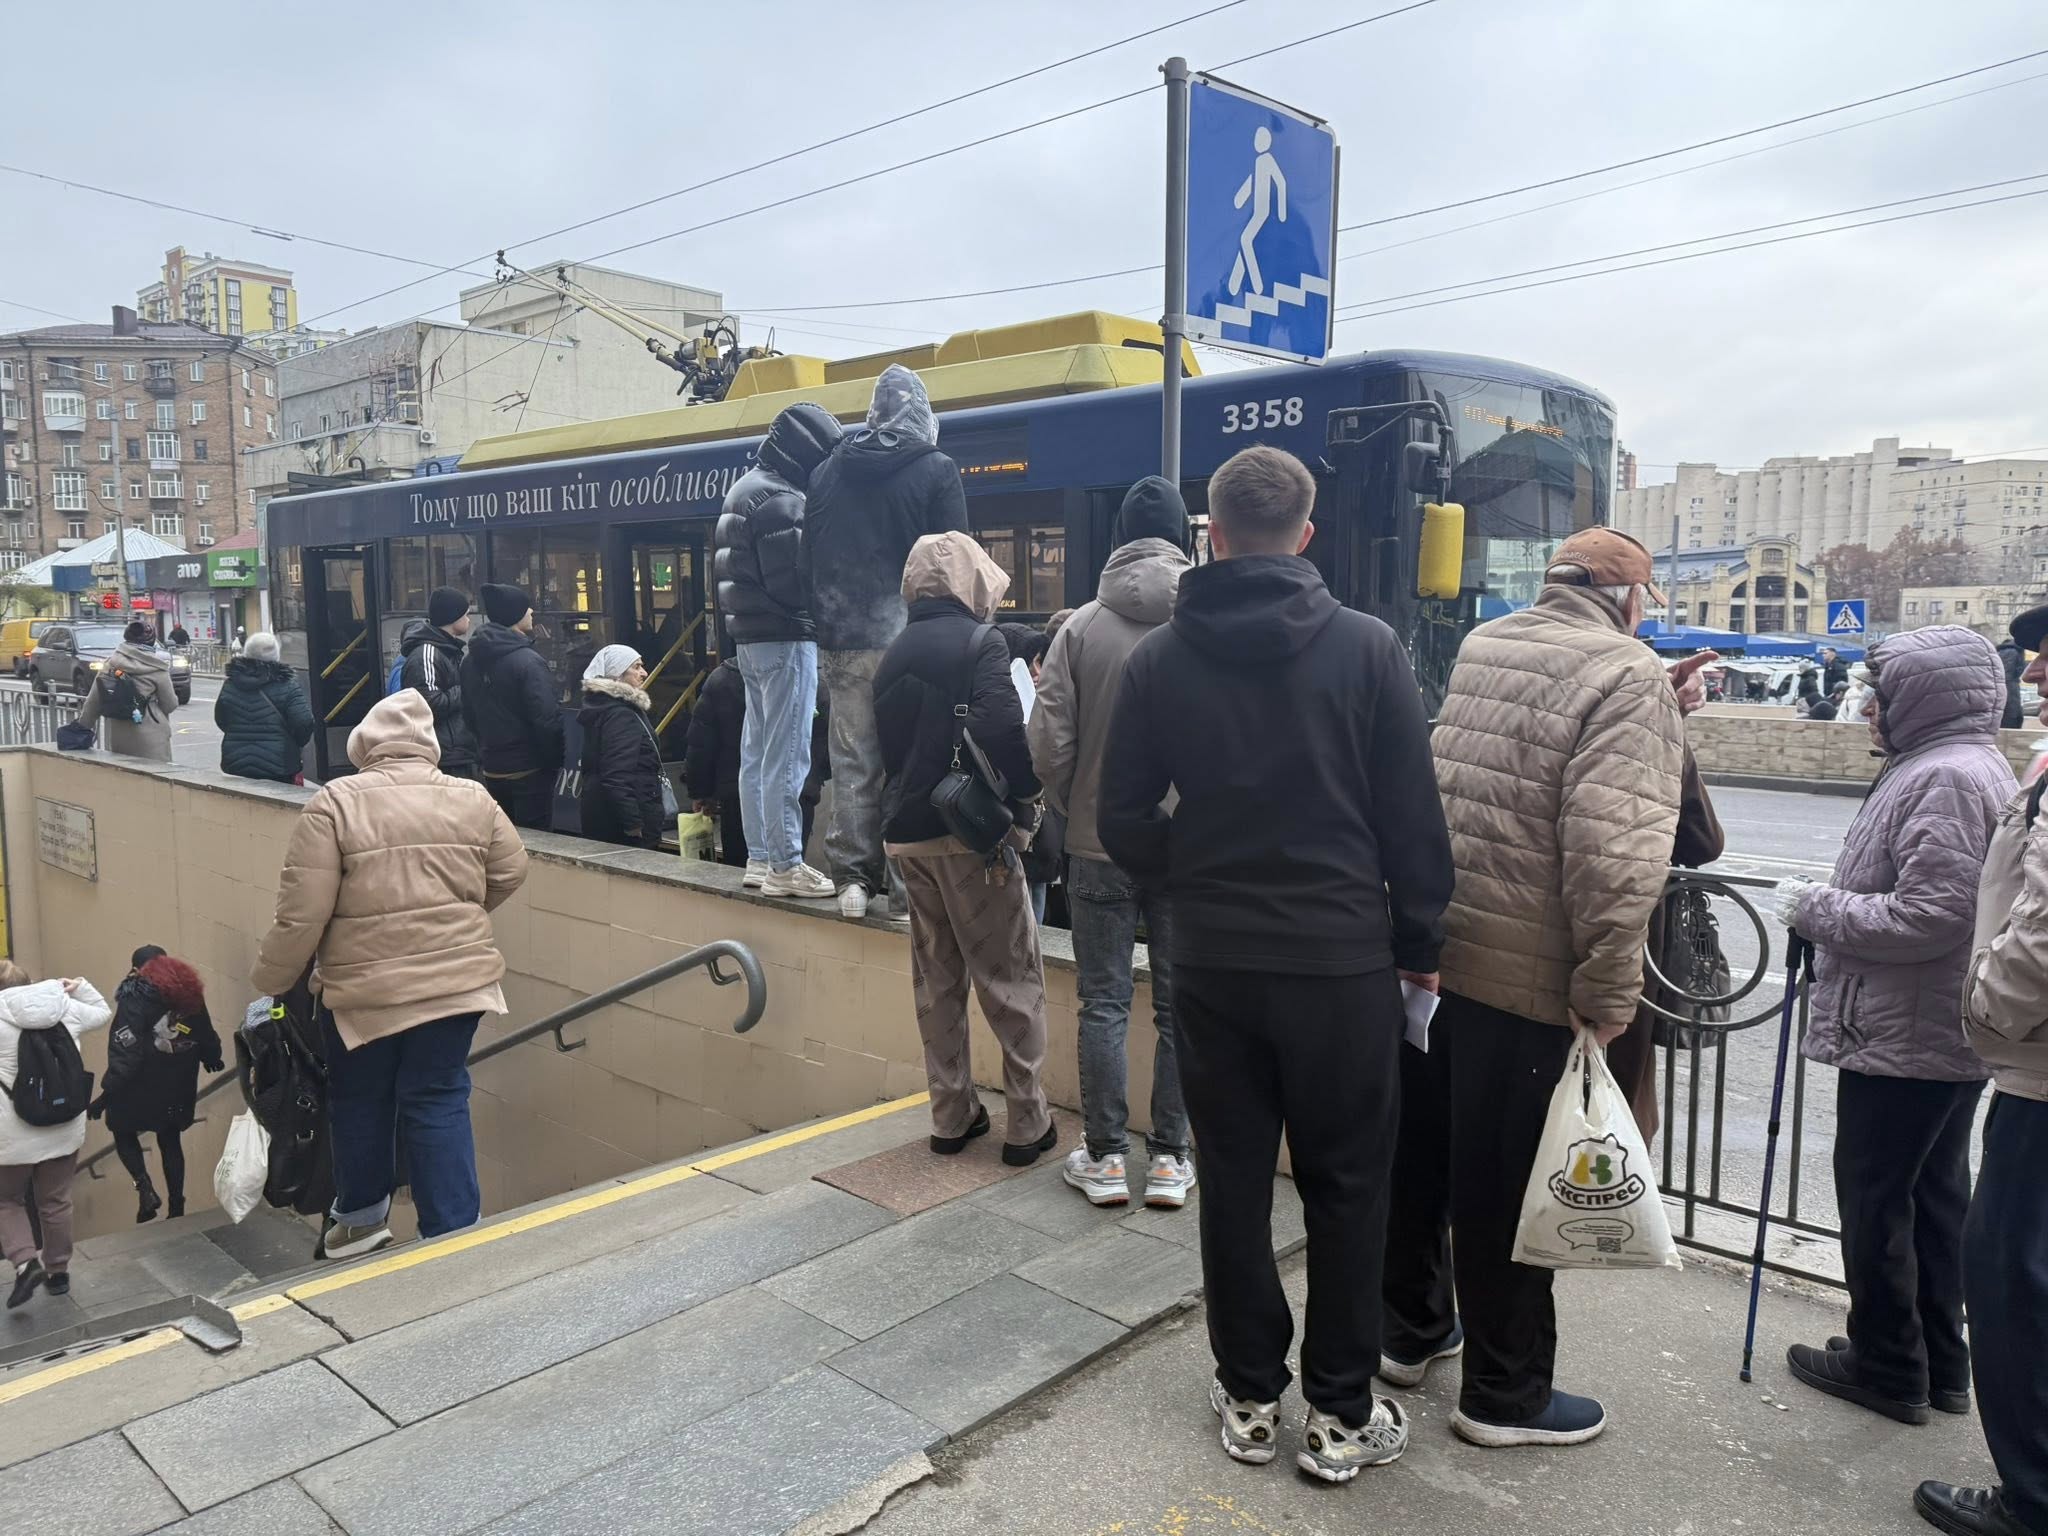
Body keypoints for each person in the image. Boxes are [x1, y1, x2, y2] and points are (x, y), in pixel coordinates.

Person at [1099, 447, 1452, 1483]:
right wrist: (1419, 943)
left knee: (1235, 1180)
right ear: (1305, 535)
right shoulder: (1368, 650)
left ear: (1208, 534)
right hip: (1340, 962)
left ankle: (1250, 1396)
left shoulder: (1156, 661)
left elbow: (1119, 817)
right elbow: (1409, 819)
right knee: (1349, 1189)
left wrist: (1192, 880)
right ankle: (1340, 1418)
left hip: (1211, 960)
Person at [1385, 526, 1684, 1451]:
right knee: (1508, 1192)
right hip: (1531, 982)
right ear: (1628, 599)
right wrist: (1608, 990)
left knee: (1424, 1162)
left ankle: (1410, 1331)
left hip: (1447, 959)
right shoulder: (1626, 673)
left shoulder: (1488, 642)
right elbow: (1615, 857)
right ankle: (1504, 1398)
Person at [1773, 626, 2010, 1425]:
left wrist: (1816, 908)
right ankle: (1939, 1362)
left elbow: (1931, 913)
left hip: (1906, 1034)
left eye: (1886, 693)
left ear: (1925, 697)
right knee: (1934, 1197)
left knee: (1878, 1200)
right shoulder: (1958, 763)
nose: (1871, 709)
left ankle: (1887, 1364)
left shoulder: (1942, 775)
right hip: (1937, 1030)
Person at [252, 689, 529, 1257]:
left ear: (365, 745)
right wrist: (458, 919)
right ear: (428, 745)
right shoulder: (472, 797)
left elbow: (302, 912)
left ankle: (359, 1219)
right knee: (438, 1095)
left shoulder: (335, 802)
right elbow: (511, 870)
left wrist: (271, 978)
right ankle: (452, 1231)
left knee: (360, 1097)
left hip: (363, 992)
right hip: (458, 983)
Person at [1030, 476, 1195, 1211]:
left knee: (1101, 1001)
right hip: (1189, 849)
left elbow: (1048, 744)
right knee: (1179, 1008)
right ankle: (1169, 1160)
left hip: (1098, 843)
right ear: (1186, 539)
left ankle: (1103, 1159)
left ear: (1120, 538)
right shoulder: (1206, 625)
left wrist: (1072, 808)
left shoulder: (1082, 628)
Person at [1918, 604, 2048, 1536]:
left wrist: (1986, 1007)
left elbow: (2038, 933)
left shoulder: (1960, 772)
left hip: (2040, 1073)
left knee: (2009, 1277)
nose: (2034, 673)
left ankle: (2031, 1496)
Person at [873, 532, 1054, 1168]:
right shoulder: (984, 644)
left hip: (907, 839)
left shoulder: (892, 652)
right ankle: (1027, 1122)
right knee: (1008, 975)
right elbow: (1007, 732)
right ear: (969, 582)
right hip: (971, 840)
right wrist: (1027, 799)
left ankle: (951, 1115)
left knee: (937, 977)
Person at [802, 365, 970, 919]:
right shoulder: (937, 469)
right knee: (911, 760)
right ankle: (904, 889)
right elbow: (955, 562)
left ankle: (852, 880)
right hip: (911, 640)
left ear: (873, 413)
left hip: (843, 639)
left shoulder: (827, 471)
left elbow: (812, 562)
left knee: (853, 760)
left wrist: (827, 628)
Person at [716, 401, 842, 899]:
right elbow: (795, 583)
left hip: (750, 639)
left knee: (758, 753)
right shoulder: (783, 500)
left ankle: (761, 858)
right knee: (788, 756)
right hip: (787, 637)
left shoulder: (745, 488)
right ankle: (787, 864)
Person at [0, 962, 111, 1307]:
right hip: (63, 1126)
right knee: (56, 1200)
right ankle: (58, 1271)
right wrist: (78, 985)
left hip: (11, 1133)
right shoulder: (65, 1009)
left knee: (6, 1200)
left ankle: (24, 1262)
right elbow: (103, 1012)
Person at [90, 947, 220, 1223]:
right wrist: (212, 1056)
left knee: (122, 1130)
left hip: (139, 1083)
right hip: (177, 1081)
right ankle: (177, 1206)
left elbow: (126, 1050)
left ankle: (145, 1188)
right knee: (170, 1139)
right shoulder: (187, 990)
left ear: (137, 969)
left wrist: (106, 1094)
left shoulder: (134, 996)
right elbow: (203, 1028)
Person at [460, 584, 563, 830]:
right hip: (529, 769)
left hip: (493, 767)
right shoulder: (529, 661)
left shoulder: (469, 660)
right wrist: (553, 760)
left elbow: (469, 714)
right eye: (525, 606)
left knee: (502, 837)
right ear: (513, 614)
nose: (531, 610)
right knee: (537, 840)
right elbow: (546, 719)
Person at [575, 645, 667, 852]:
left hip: (602, 813)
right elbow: (616, 775)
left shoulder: (604, 707)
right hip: (624, 823)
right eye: (636, 667)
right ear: (617, 675)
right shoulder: (621, 714)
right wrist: (634, 825)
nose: (644, 673)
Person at [215, 632, 315, 784]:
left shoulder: (230, 684)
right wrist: (294, 744)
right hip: (279, 765)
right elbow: (304, 722)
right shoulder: (287, 684)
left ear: (247, 652)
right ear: (275, 654)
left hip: (236, 764)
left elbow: (221, 719)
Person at [400, 587, 479, 778]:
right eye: (466, 614)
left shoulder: (447, 650)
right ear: (453, 618)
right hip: (445, 755)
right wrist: (468, 686)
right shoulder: (426, 653)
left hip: (459, 751)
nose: (469, 619)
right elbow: (430, 704)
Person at [76, 620, 179, 762]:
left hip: (119, 737)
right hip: (153, 740)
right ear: (151, 641)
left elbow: (93, 702)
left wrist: (81, 729)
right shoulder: (157, 669)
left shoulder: (110, 665)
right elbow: (170, 704)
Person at [686, 655, 748, 869]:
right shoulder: (802, 670)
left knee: (738, 869)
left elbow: (701, 744)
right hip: (793, 791)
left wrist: (701, 792)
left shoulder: (721, 679)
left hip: (736, 791)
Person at [1997, 634, 2026, 731]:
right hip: (2011, 685)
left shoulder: (1998, 652)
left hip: (1997, 684)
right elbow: (2020, 669)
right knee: (2013, 711)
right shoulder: (2018, 651)